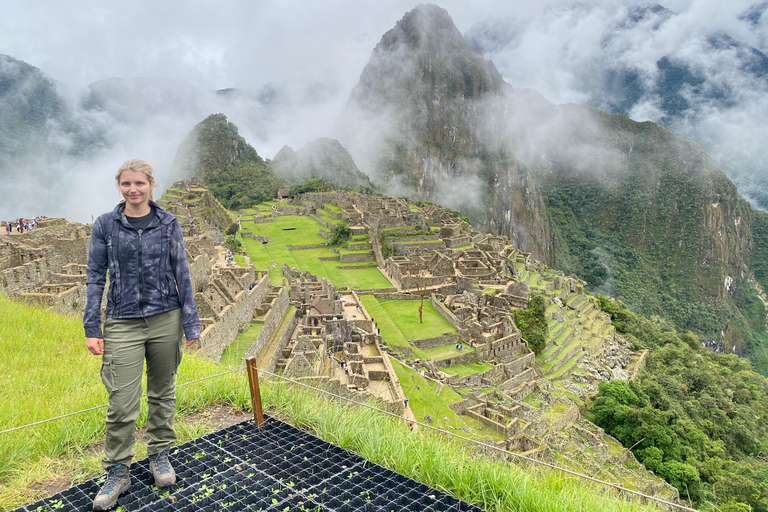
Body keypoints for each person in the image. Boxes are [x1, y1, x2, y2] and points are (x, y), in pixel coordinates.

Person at [84, 159, 200, 511]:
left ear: (152, 185)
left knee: (163, 391)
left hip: (166, 316)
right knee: (122, 400)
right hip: (122, 320)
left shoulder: (168, 223)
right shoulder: (106, 225)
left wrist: (191, 324)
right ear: (119, 187)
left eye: (139, 183)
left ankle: (159, 454)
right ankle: (118, 468)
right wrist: (92, 326)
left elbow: (182, 272)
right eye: (126, 184)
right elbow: (94, 275)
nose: (133, 190)